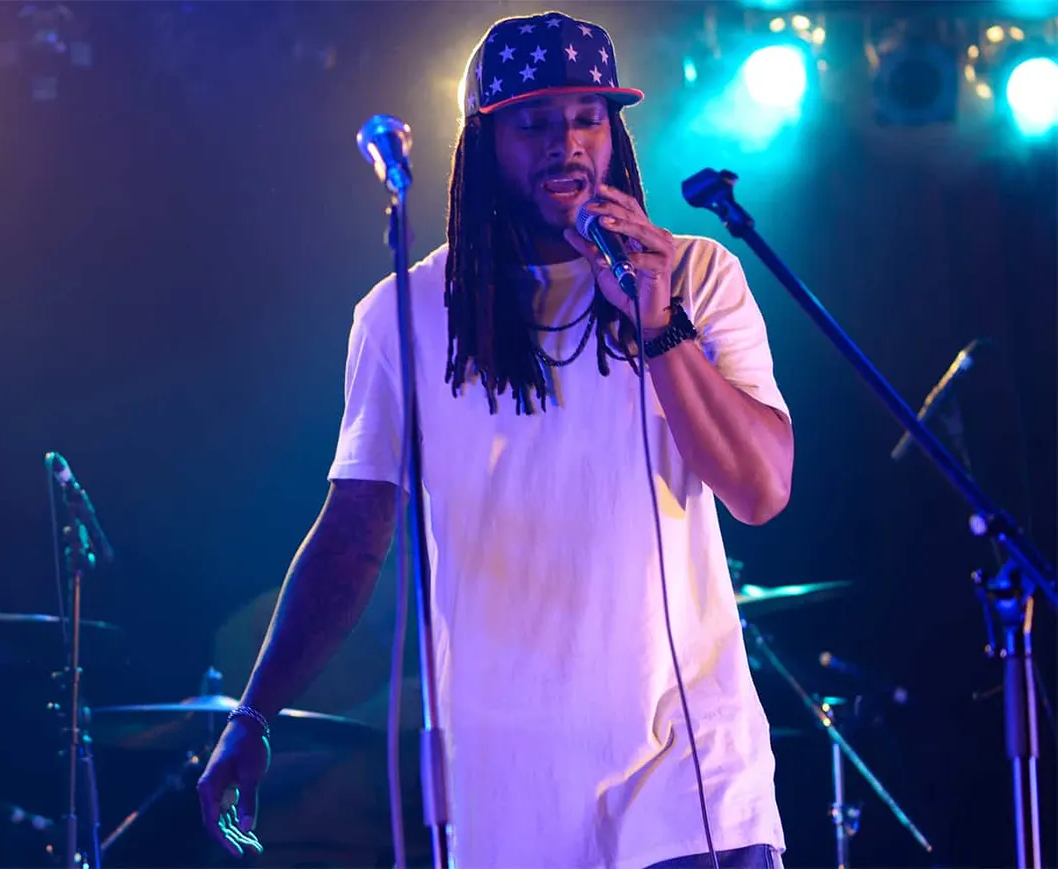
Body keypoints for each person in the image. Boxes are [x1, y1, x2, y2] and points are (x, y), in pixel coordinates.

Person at [197, 10, 794, 869]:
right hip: (512, 795)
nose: (568, 143)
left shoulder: (696, 275)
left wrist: (657, 320)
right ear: (483, 143)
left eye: (588, 117)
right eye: (534, 123)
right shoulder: (404, 313)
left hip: (691, 782)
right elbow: (352, 536)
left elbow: (761, 490)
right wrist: (254, 712)